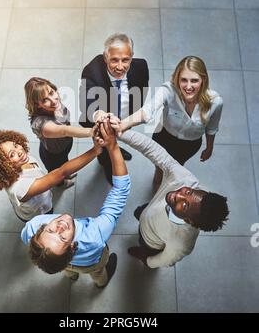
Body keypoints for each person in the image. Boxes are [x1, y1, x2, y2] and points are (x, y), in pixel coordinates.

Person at [21, 120, 131, 288]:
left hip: (64, 263)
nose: (60, 226)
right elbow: (120, 191)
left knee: (67, 267)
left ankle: (71, 275)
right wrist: (113, 146)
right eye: (63, 237)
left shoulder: (32, 228)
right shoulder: (95, 238)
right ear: (72, 247)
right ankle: (101, 283)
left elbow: (27, 237)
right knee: (98, 271)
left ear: (41, 230)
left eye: (50, 230)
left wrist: (96, 150)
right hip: (91, 262)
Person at [114, 129, 229, 268]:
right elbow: (152, 149)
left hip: (151, 242)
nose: (178, 194)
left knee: (144, 247)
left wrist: (148, 261)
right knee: (138, 212)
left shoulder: (182, 242)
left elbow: (166, 260)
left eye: (185, 205)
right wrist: (119, 132)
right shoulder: (185, 179)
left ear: (188, 220)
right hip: (149, 210)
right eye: (188, 192)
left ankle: (142, 252)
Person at [111, 56, 223, 191]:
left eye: (194, 81)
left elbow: (211, 128)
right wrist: (122, 124)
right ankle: (157, 182)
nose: (188, 87)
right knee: (159, 166)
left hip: (190, 145)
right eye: (183, 80)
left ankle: (166, 185)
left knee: (177, 167)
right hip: (164, 137)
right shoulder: (168, 90)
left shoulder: (215, 102)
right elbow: (146, 111)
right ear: (177, 78)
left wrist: (209, 147)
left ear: (203, 80)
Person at [0, 129, 101, 222]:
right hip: (37, 214)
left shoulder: (23, 160)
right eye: (11, 155)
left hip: (41, 198)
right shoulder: (20, 187)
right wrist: (95, 151)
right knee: (45, 224)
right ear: (2, 166)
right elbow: (60, 173)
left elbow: (51, 176)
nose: (19, 152)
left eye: (15, 145)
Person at [79, 33, 149, 184]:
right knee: (104, 148)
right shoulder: (91, 71)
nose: (120, 66)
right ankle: (107, 164)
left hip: (124, 117)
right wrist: (98, 114)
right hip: (101, 121)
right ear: (105, 58)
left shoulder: (141, 66)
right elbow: (86, 101)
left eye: (125, 60)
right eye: (114, 60)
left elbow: (142, 90)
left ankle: (117, 148)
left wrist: (131, 118)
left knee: (117, 138)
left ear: (132, 56)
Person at [25, 77, 95, 189]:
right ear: (37, 104)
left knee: (65, 163)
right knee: (57, 173)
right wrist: (92, 131)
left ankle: (66, 174)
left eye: (51, 93)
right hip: (53, 155)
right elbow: (64, 130)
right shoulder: (42, 124)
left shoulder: (54, 104)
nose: (53, 100)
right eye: (44, 100)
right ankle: (61, 184)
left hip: (63, 146)